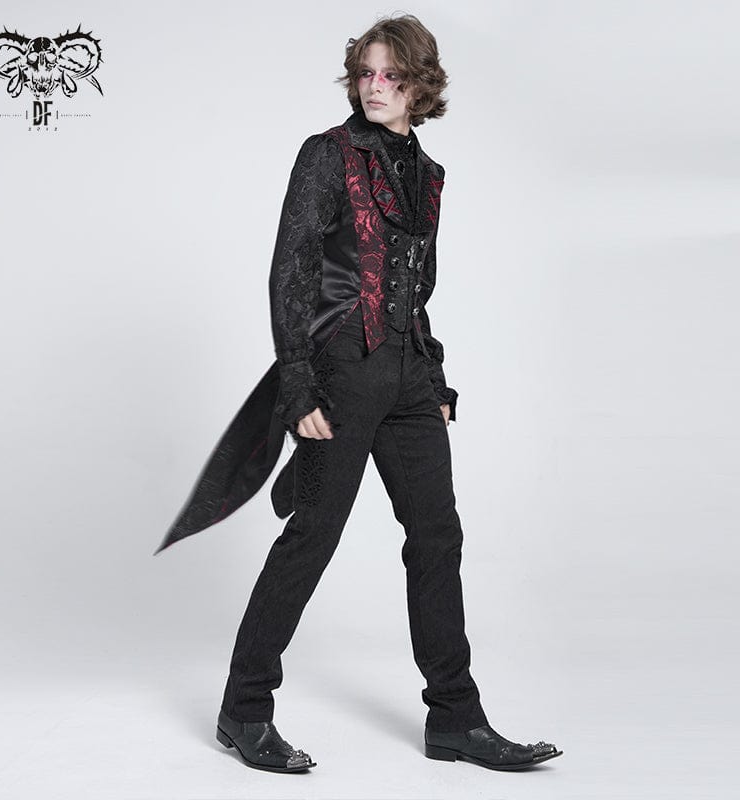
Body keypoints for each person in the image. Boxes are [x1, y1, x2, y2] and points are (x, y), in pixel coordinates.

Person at [155, 13, 562, 774]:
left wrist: (433, 378)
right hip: (339, 374)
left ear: (419, 86)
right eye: (366, 73)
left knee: (437, 538)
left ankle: (456, 721)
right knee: (312, 537)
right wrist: (299, 387)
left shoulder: (428, 176)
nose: (375, 87)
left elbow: (415, 289)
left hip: (409, 377)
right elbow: (292, 272)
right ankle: (244, 710)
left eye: (391, 75)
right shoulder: (327, 155)